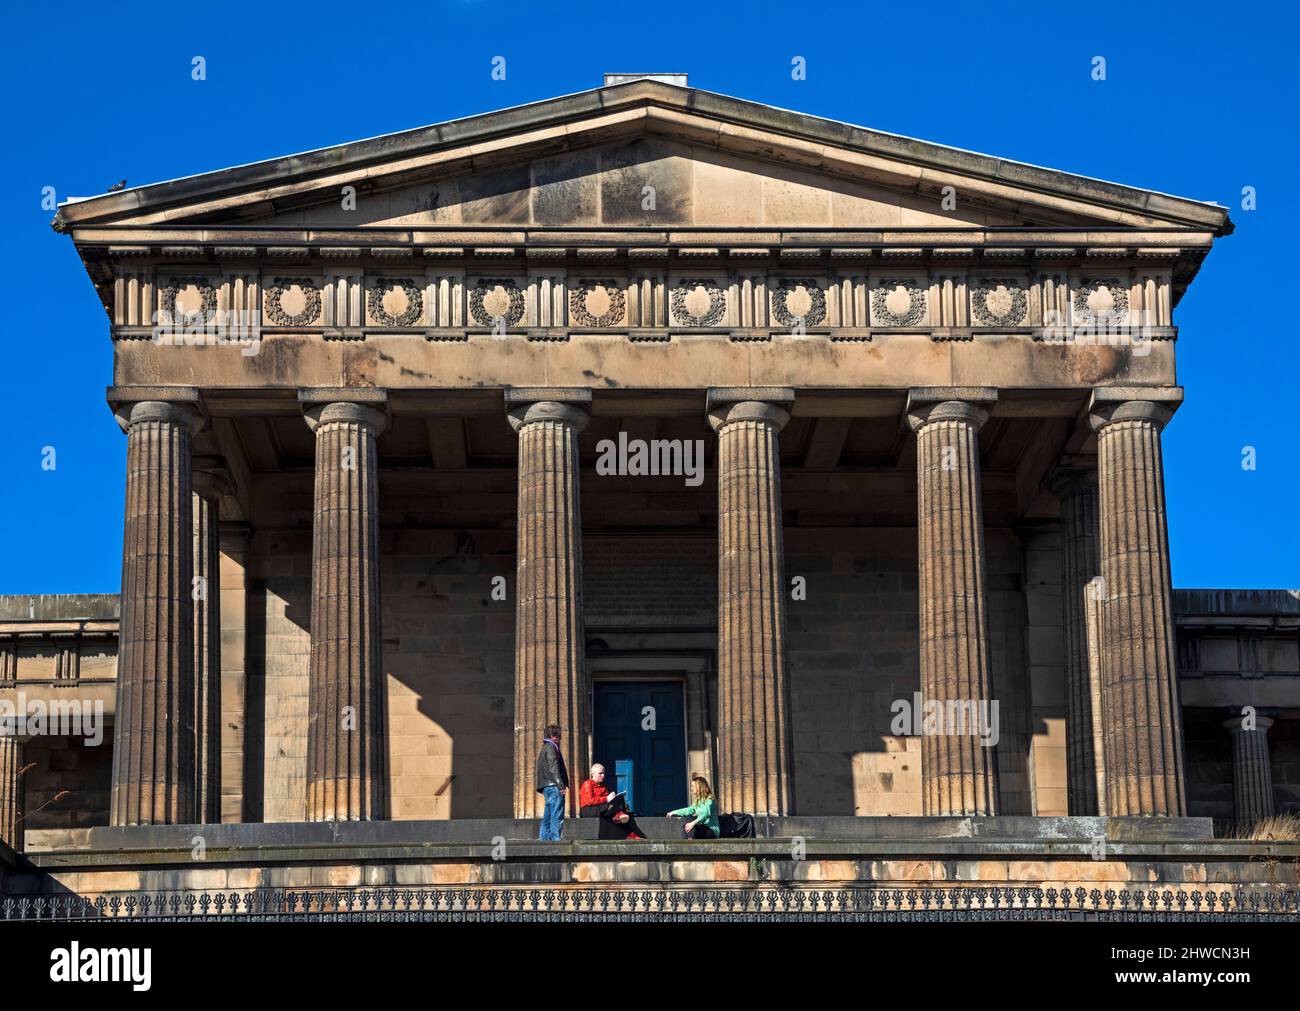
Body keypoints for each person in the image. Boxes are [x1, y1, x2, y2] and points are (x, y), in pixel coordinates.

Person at [578, 764, 645, 840]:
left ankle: (621, 819)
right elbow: (589, 801)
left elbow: (608, 801)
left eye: (603, 773)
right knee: (611, 808)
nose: (603, 775)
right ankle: (621, 818)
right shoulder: (588, 784)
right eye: (600, 773)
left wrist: (612, 798)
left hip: (602, 808)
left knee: (619, 800)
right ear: (593, 774)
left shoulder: (603, 786)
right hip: (589, 810)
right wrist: (607, 798)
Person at [536, 724, 568, 841]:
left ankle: (544, 843)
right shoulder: (551, 747)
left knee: (548, 817)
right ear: (553, 736)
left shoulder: (544, 747)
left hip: (547, 787)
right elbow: (553, 767)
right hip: (554, 787)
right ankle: (556, 843)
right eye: (559, 736)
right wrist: (561, 785)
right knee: (556, 817)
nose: (560, 739)